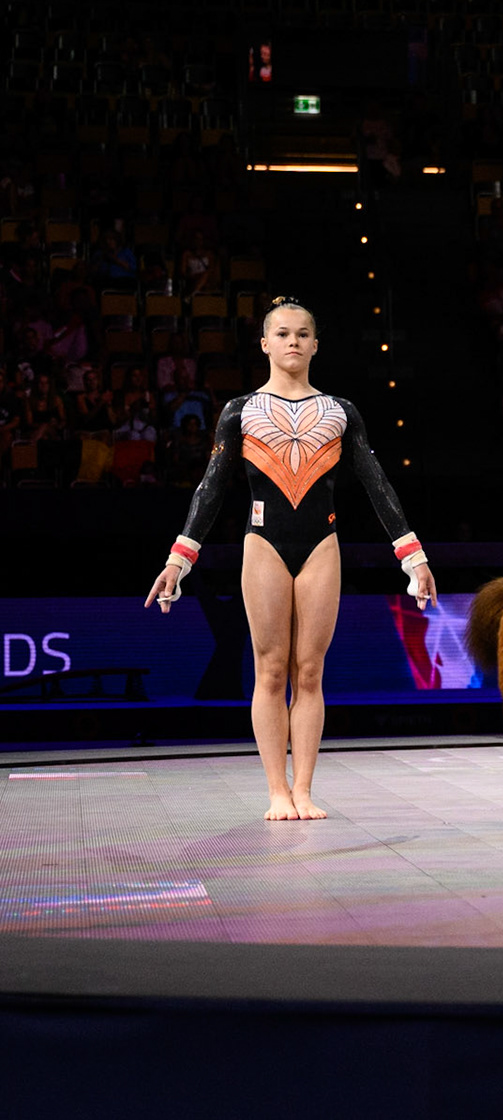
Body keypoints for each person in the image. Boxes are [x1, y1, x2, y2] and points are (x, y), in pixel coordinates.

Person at [144, 297, 436, 821]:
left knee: (309, 669)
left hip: (321, 544)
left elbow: (375, 482)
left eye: (303, 333)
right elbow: (211, 488)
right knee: (270, 669)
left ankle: (304, 788)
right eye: (282, 334)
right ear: (265, 344)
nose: (293, 342)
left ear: (316, 344)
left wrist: (412, 556)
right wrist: (179, 558)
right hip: (264, 545)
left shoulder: (340, 411)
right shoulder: (241, 412)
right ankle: (276, 791)